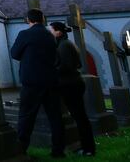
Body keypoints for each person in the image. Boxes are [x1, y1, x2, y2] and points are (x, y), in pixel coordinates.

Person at [10, 8, 65, 158]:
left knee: (26, 116)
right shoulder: (50, 36)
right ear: (42, 19)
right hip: (51, 81)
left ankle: (21, 149)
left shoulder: (25, 34)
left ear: (28, 20)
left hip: (32, 82)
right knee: (55, 117)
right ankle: (58, 150)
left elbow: (14, 53)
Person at [50, 22, 96, 157]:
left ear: (58, 32)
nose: (50, 32)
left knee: (80, 118)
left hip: (70, 85)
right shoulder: (67, 44)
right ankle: (87, 147)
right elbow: (78, 63)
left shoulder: (63, 46)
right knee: (80, 117)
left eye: (51, 30)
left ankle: (88, 149)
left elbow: (65, 66)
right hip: (74, 83)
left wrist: (51, 72)